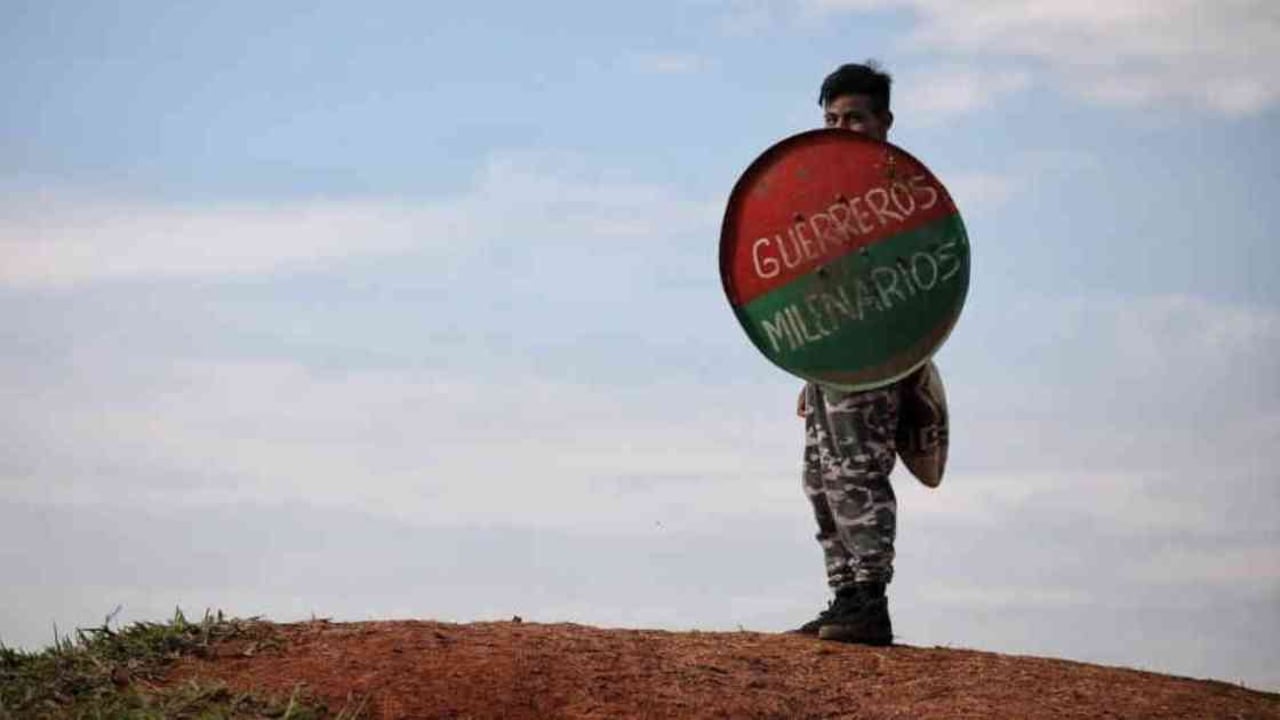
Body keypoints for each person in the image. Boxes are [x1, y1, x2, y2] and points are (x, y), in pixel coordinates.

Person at [791, 61, 905, 646]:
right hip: (830, 362)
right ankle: (845, 597)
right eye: (832, 118)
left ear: (884, 121)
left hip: (878, 357)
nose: (842, 126)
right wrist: (808, 365)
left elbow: (922, 284)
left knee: (859, 473)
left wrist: (905, 364)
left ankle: (871, 601)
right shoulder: (825, 190)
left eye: (854, 118)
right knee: (820, 479)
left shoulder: (902, 194)